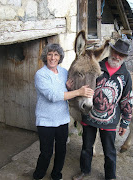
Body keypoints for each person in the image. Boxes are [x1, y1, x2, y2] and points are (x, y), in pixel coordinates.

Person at [73, 39, 133, 180]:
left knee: (109, 151)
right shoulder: (96, 66)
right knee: (87, 147)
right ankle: (85, 171)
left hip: (110, 120)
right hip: (90, 115)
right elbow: (82, 82)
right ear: (111, 51)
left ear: (124, 58)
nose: (117, 56)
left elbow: (127, 99)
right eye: (115, 52)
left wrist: (125, 122)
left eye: (121, 55)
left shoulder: (125, 76)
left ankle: (110, 176)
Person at [33, 43, 94, 180]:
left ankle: (56, 175)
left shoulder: (64, 72)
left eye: (56, 55)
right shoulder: (41, 75)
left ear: (60, 57)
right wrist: (79, 91)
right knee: (46, 153)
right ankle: (38, 175)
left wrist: (68, 88)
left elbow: (65, 92)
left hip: (62, 119)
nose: (53, 58)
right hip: (46, 121)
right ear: (45, 57)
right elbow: (53, 96)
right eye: (50, 54)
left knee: (61, 151)